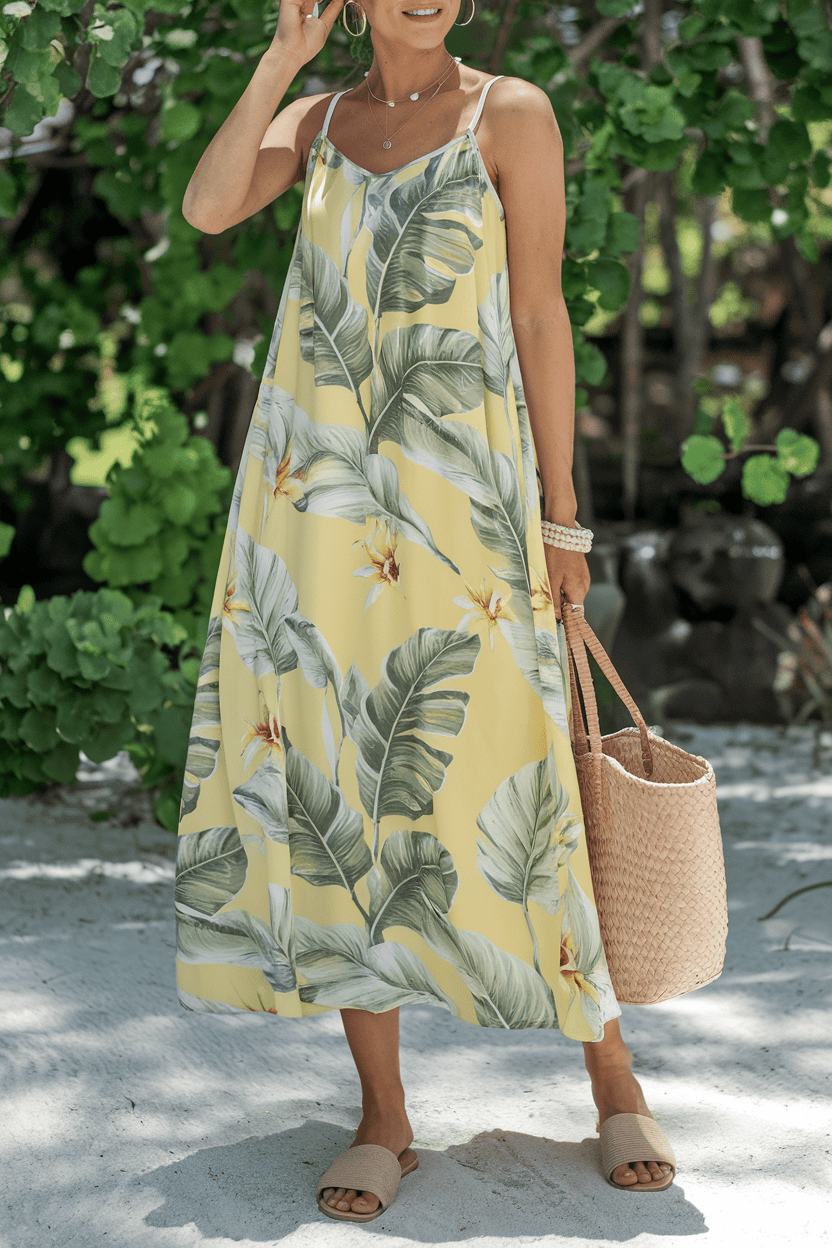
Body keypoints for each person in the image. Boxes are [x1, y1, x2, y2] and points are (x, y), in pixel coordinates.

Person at [177, 0, 676, 1220]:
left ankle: (609, 1073)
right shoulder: (317, 119)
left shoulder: (511, 113)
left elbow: (541, 315)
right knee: (350, 776)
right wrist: (282, 57)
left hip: (468, 511)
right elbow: (205, 207)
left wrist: (563, 515)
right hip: (315, 516)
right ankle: (384, 1117)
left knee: (520, 771)